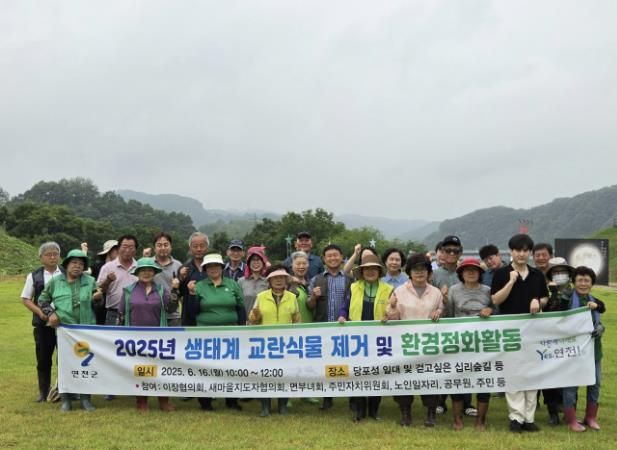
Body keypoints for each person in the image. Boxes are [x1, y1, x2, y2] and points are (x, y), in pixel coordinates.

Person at [491, 234, 548, 433]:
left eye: (525, 250)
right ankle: (516, 417)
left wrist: (537, 301)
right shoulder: (501, 273)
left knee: (532, 374)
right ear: (511, 251)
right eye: (518, 250)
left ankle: (529, 418)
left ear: (529, 253)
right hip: (510, 331)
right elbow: (496, 300)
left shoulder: (537, 275)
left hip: (533, 331)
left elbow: (545, 298)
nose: (521, 254)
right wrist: (510, 282)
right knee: (513, 373)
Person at [384, 253, 443, 427]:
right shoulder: (399, 291)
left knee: (430, 378)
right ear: (409, 272)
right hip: (406, 343)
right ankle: (405, 413)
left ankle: (431, 413)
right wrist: (392, 306)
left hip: (429, 343)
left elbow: (441, 310)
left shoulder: (436, 292)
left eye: (423, 269)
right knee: (404, 378)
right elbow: (392, 316)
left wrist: (439, 312)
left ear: (429, 272)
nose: (419, 272)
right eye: (415, 269)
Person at [37, 249, 99, 412]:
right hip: (64, 331)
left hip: (85, 330)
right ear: (67, 265)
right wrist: (51, 313)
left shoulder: (91, 281)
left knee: (85, 364)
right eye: (74, 263)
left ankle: (85, 398)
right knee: (65, 364)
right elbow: (42, 300)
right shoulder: (55, 282)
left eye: (81, 264)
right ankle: (65, 398)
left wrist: (98, 299)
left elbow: (98, 305)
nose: (77, 266)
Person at [338, 253, 393, 422]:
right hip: (357, 338)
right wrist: (342, 316)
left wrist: (390, 315)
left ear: (379, 271)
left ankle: (374, 411)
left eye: (373, 269)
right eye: (366, 269)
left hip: (379, 338)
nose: (370, 272)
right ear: (361, 272)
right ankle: (359, 411)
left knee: (377, 373)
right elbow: (345, 306)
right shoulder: (354, 287)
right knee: (358, 373)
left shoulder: (389, 289)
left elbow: (394, 311)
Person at [189, 253, 246, 411]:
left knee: (231, 367)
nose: (213, 269)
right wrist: (192, 294)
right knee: (205, 368)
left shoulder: (232, 284)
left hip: (231, 333)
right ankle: (205, 402)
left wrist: (243, 329)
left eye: (216, 266)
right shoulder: (199, 286)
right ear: (205, 269)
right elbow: (192, 311)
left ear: (222, 268)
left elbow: (240, 308)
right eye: (209, 266)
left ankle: (232, 401)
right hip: (205, 334)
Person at [122, 257, 179, 412]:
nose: (146, 273)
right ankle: (141, 402)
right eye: (143, 270)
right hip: (135, 339)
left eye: (149, 270)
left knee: (161, 369)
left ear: (154, 272)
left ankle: (164, 401)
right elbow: (121, 315)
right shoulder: (128, 291)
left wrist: (175, 289)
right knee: (140, 370)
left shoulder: (161, 290)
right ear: (137, 272)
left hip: (158, 338)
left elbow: (171, 308)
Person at [447, 258, 493, 430]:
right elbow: (449, 315)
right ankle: (457, 419)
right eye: (467, 270)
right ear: (461, 273)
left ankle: (480, 420)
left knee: (484, 381)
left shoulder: (488, 291)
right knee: (458, 380)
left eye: (475, 270)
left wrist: (490, 310)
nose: (471, 273)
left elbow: (497, 312)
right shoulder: (453, 290)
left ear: (480, 273)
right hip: (460, 342)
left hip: (483, 343)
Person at [248, 266, 301, 416]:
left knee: (284, 374)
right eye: (275, 278)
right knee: (265, 375)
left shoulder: (292, 297)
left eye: (282, 278)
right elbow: (252, 320)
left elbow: (297, 320)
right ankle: (265, 406)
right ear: (269, 281)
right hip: (266, 343)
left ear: (286, 280)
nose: (278, 281)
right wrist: (255, 314)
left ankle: (282, 405)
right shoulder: (261, 296)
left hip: (286, 343)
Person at [432, 235, 475, 416]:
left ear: (460, 253)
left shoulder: (466, 272)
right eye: (447, 250)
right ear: (441, 252)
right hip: (441, 326)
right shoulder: (435, 275)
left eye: (455, 251)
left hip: (463, 325)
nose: (451, 253)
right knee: (442, 365)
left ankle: (467, 403)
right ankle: (440, 401)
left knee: (464, 366)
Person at [559, 266, 606, 432]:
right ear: (574, 282)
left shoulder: (595, 301)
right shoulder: (567, 299)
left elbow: (602, 309)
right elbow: (558, 315)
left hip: (593, 349)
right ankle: (571, 419)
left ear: (592, 283)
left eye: (587, 280)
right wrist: (563, 298)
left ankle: (590, 417)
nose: (583, 284)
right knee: (571, 383)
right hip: (572, 349)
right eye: (580, 280)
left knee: (595, 383)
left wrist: (601, 327)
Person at [307, 243, 353, 411]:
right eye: (329, 256)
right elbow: (309, 305)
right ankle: (327, 398)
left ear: (342, 257)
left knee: (348, 363)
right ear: (324, 259)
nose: (333, 258)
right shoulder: (316, 279)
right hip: (324, 329)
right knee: (327, 364)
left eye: (336, 255)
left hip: (346, 328)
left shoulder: (350, 279)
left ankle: (353, 398)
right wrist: (314, 296)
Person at [20, 241, 63, 403]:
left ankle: (64, 390)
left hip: (64, 324)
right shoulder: (34, 276)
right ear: (41, 257)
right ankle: (43, 392)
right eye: (48, 254)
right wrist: (40, 312)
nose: (52, 257)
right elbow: (26, 299)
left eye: (55, 254)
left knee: (64, 358)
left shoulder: (66, 273)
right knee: (44, 358)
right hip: (43, 324)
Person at [542, 257, 574, 426]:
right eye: (556, 272)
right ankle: (552, 412)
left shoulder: (576, 292)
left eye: (563, 271)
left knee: (570, 377)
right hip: (549, 341)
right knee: (549, 377)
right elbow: (547, 312)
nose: (560, 274)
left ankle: (569, 410)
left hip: (570, 342)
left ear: (569, 274)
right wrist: (553, 293)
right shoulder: (544, 293)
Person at [97, 235, 138, 326]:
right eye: (124, 246)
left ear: (135, 250)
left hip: (136, 314)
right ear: (119, 248)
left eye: (131, 247)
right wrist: (108, 280)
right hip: (114, 314)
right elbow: (99, 291)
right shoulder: (108, 267)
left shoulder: (140, 267)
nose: (127, 250)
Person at [178, 232, 209, 326]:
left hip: (210, 317)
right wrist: (181, 278)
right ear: (190, 248)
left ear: (207, 247)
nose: (199, 249)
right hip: (189, 319)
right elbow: (179, 294)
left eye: (202, 246)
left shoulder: (213, 268)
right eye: (195, 246)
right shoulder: (184, 269)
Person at [152, 232, 183, 326]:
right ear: (154, 248)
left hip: (173, 315)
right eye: (159, 245)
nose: (163, 248)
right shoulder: (148, 264)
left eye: (166, 245)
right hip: (152, 314)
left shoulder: (178, 265)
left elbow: (182, 291)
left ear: (171, 247)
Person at [90, 240, 119, 324]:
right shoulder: (96, 267)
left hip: (116, 308)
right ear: (109, 252)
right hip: (100, 306)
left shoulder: (122, 267)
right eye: (116, 249)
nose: (119, 251)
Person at [237, 246, 269, 316]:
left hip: (265, 319)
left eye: (258, 259)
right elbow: (238, 303)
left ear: (263, 262)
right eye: (253, 260)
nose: (256, 262)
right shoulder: (241, 281)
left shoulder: (268, 280)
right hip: (246, 320)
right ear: (248, 263)